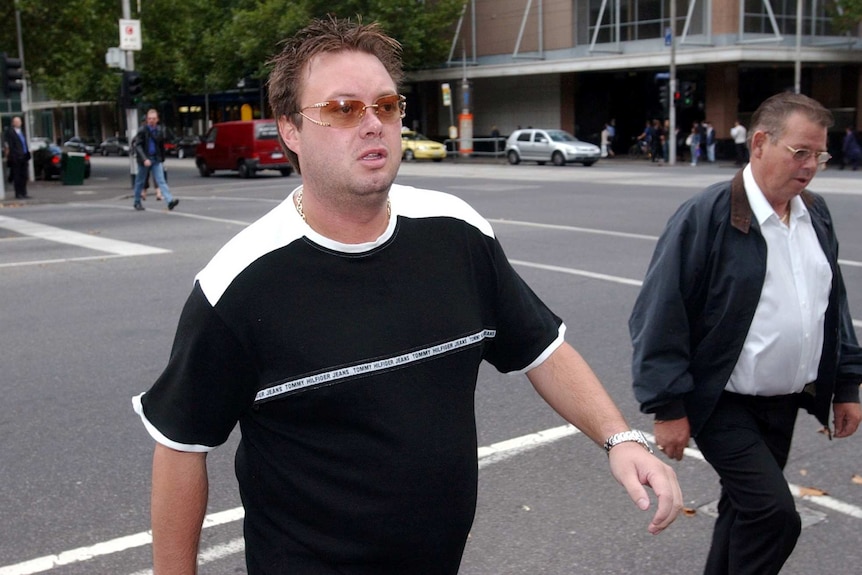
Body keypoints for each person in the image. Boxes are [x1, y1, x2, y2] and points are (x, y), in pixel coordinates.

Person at [133, 17, 682, 574]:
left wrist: (621, 440)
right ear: (291, 131)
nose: (372, 124)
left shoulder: (457, 231)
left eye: (386, 106)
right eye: (343, 109)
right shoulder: (238, 284)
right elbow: (181, 448)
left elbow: (541, 350)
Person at [629, 91, 862, 575]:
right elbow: (660, 313)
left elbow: (831, 306)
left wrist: (846, 386)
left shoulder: (814, 214)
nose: (811, 165)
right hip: (723, 401)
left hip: (782, 403)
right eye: (800, 152)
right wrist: (667, 407)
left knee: (742, 510)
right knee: (775, 516)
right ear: (760, 143)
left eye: (819, 154)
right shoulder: (707, 215)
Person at [131, 109, 178, 211]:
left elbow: (161, 145)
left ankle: (169, 201)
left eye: (153, 119)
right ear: (147, 119)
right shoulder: (142, 130)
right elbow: (138, 146)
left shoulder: (159, 130)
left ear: (157, 119)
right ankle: (137, 201)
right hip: (145, 159)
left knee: (161, 180)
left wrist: (161, 158)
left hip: (156, 158)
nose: (151, 121)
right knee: (140, 181)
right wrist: (144, 159)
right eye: (149, 119)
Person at [3, 116, 31, 199]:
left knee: (24, 176)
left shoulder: (22, 132)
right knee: (17, 176)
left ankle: (24, 192)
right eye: (17, 122)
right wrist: (13, 156)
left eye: (19, 121)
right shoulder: (10, 132)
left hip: (24, 156)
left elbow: (24, 143)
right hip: (16, 157)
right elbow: (10, 145)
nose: (19, 123)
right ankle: (18, 193)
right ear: (13, 123)